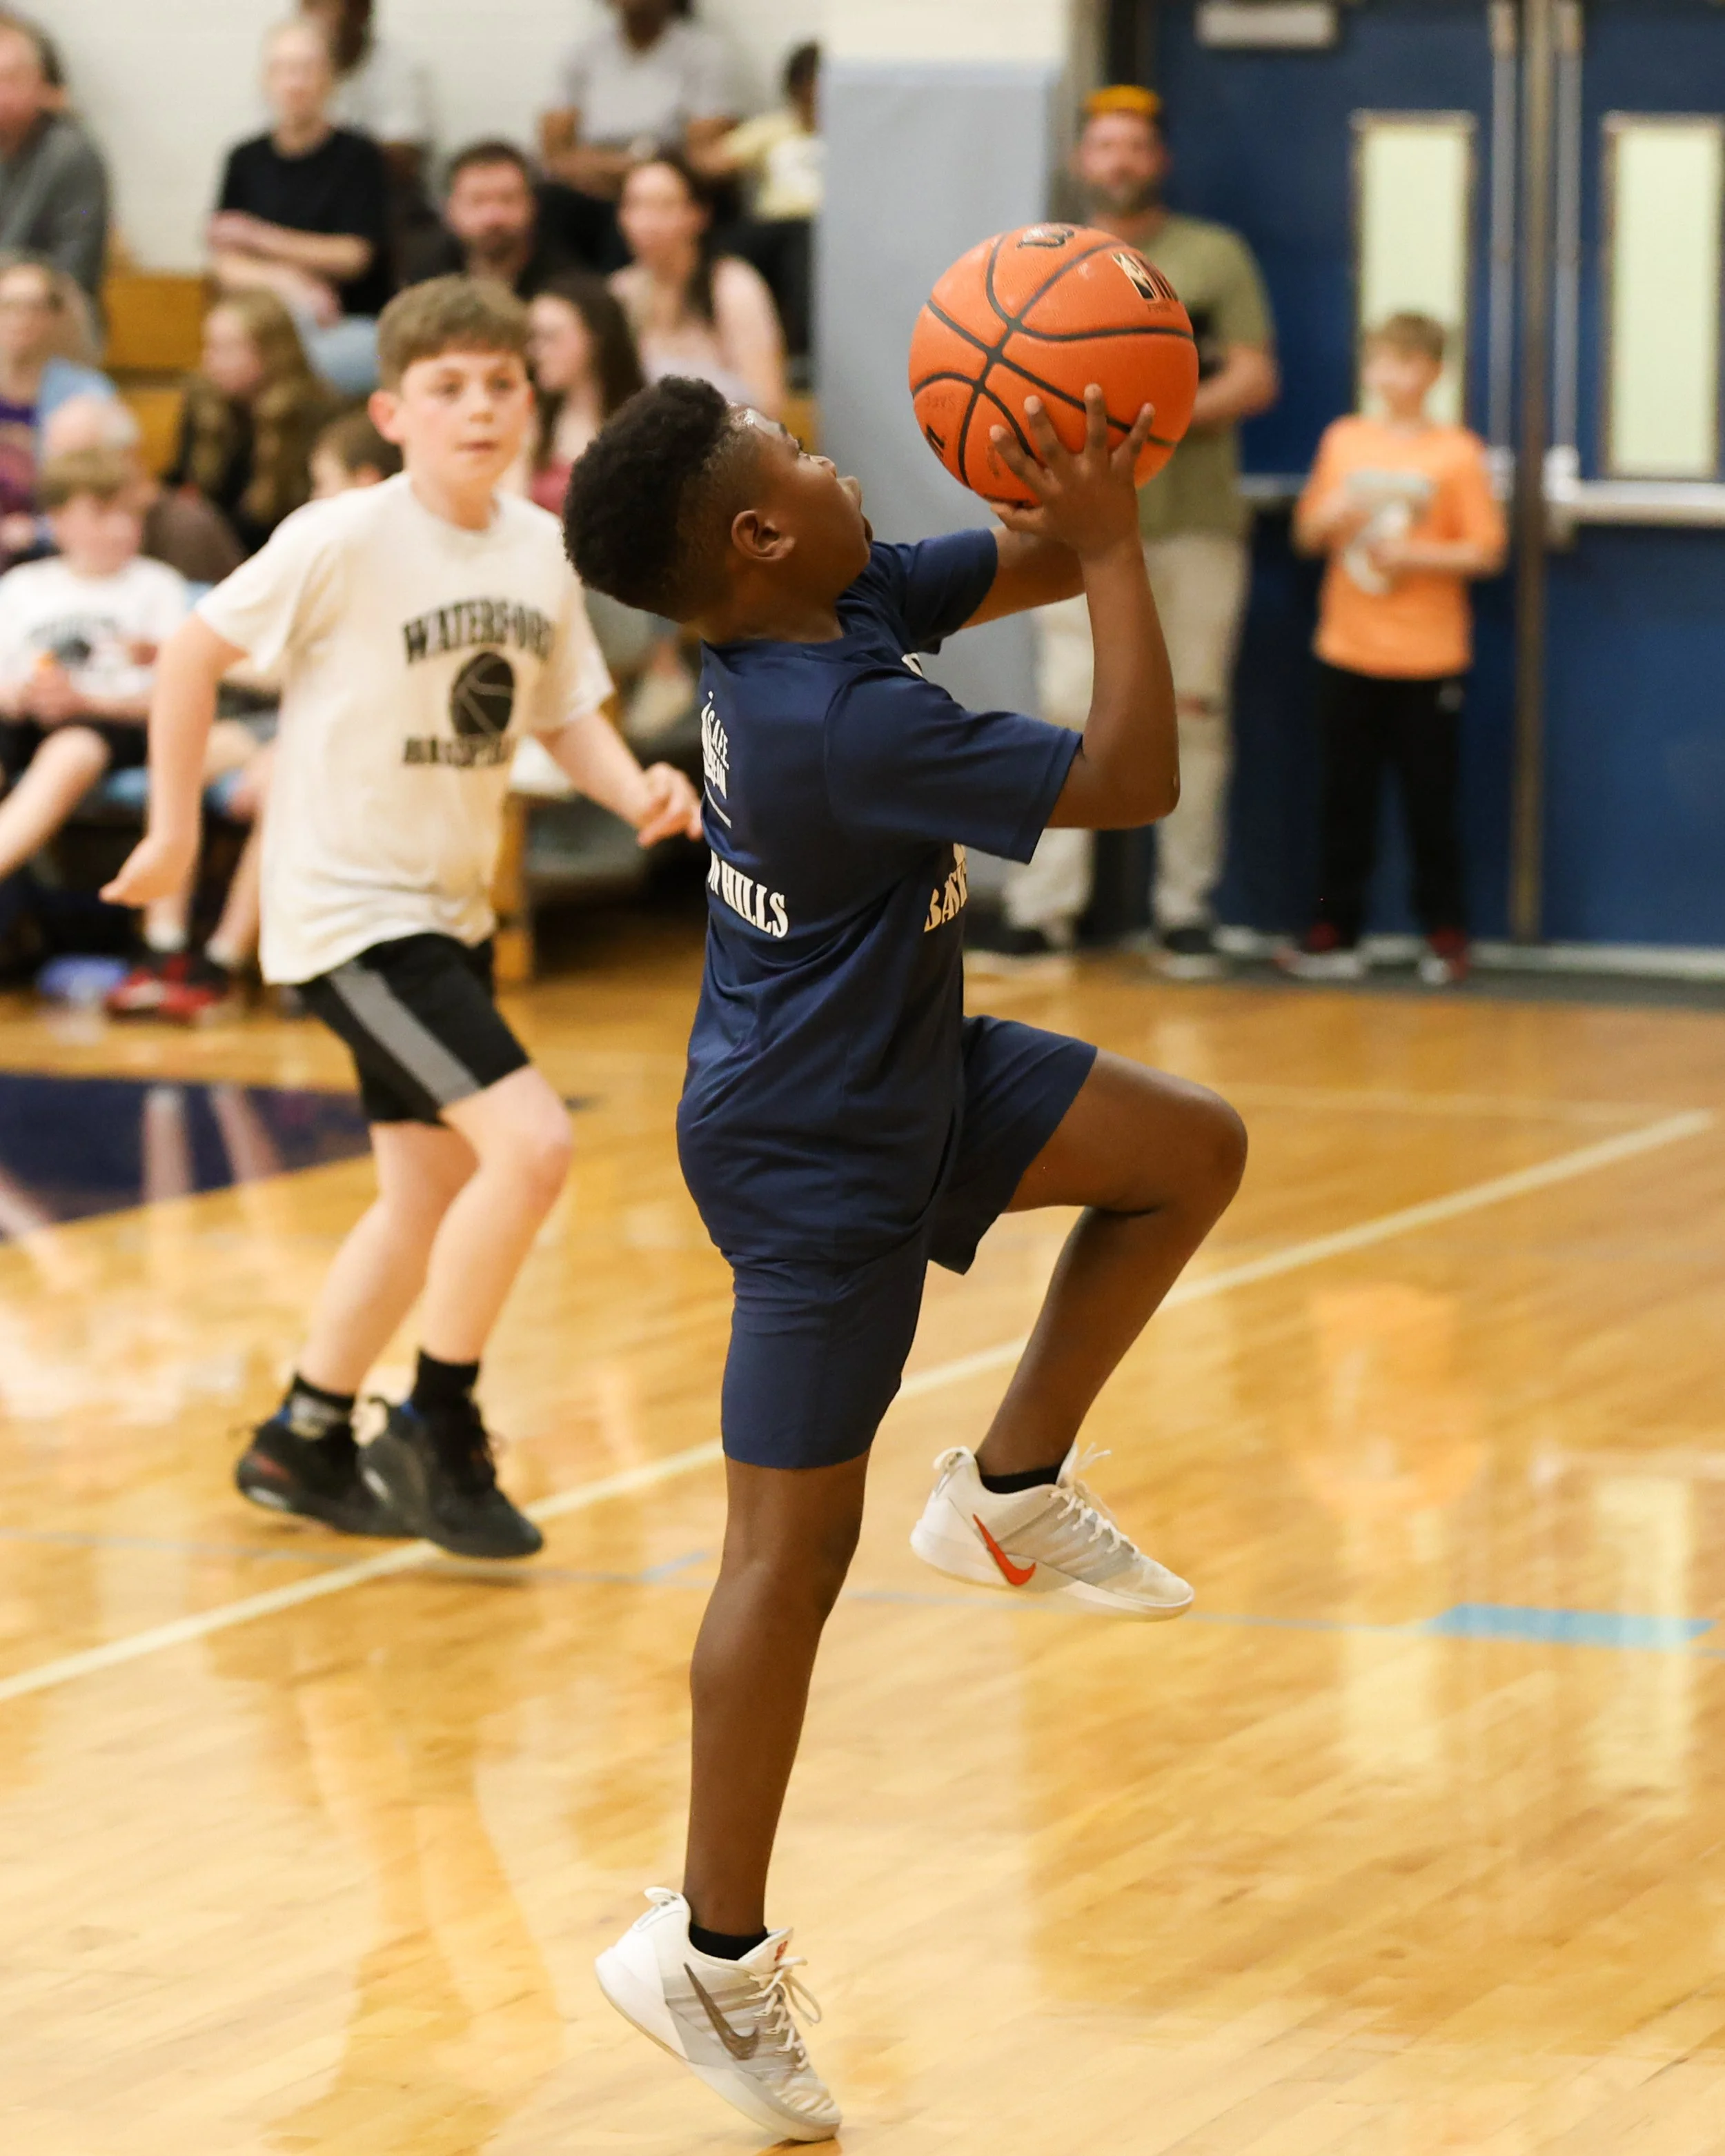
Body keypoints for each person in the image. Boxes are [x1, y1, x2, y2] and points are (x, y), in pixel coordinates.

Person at [565, 379, 1248, 2137]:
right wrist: (1117, 551)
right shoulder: (829, 714)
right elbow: (1135, 776)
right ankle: (707, 1951)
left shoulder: (831, 595)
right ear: (756, 536)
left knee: (1186, 1153)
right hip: (812, 1154)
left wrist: (1100, 481)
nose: (832, 447)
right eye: (794, 447)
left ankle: (1010, 1485)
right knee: (784, 1558)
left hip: (907, 1070)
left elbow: (1021, 561)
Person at [103, 277, 702, 1559]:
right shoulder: (344, 537)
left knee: (425, 1192)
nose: (479, 408)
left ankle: (303, 1435)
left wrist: (633, 781)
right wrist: (171, 831)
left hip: (445, 913)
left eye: (501, 385)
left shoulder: (541, 548)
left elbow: (559, 710)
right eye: (449, 389)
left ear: (530, 403)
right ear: (393, 413)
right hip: (347, 913)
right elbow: (198, 656)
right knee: (530, 1149)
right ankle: (437, 1420)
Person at [983, 86, 1278, 971]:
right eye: (1104, 146)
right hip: (1074, 532)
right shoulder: (1048, 262)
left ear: (1160, 160)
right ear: (1082, 161)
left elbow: (1255, 378)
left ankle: (1182, 911)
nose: (1119, 161)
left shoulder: (1212, 255)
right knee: (1067, 711)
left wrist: (1149, 424)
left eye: (1135, 147)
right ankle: (1042, 915)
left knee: (1193, 709)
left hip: (1191, 524)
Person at [107, 406, 404, 1025]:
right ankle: (163, 947)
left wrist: (205, 658)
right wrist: (186, 654)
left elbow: (322, 675)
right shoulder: (313, 547)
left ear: (367, 481)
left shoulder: (396, 563)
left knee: (283, 776)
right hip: (281, 714)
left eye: (325, 481)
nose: (316, 495)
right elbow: (271, 663)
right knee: (188, 753)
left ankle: (223, 959)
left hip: (350, 730)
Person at [1283, 313, 1506, 988]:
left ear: (1434, 371)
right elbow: (1305, 532)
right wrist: (1330, 521)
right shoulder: (1344, 440)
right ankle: (1333, 930)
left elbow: (1486, 549)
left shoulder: (1457, 453)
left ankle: (1445, 932)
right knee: (1341, 800)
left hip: (1428, 657)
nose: (1392, 377)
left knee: (1429, 803)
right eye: (1381, 361)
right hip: (1346, 650)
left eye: (1407, 363)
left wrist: (1415, 553)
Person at [0, 448, 189, 951]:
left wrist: (83, 700)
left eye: (130, 514)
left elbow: (178, 697)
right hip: (28, 721)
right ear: (58, 520)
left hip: (115, 723)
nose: (121, 528)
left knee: (73, 749)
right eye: (102, 513)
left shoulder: (155, 586)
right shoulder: (24, 586)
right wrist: (20, 695)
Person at [520, 270, 693, 740]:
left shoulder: (642, 422)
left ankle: (662, 666)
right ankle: (541, 719)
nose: (538, 352)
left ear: (594, 338)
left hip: (619, 602)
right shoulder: (530, 422)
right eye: (533, 339)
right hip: (550, 597)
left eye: (552, 337)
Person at [209, 17, 393, 398]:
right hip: (269, 323)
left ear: (330, 78)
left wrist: (257, 236)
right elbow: (224, 262)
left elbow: (353, 255)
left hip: (349, 324)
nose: (295, 82)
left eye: (307, 69)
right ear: (266, 79)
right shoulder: (244, 158)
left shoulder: (359, 156)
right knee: (226, 366)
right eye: (283, 69)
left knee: (293, 372)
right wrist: (290, 285)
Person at [166, 290, 340, 558]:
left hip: (288, 555)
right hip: (218, 558)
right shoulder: (202, 404)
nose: (209, 359)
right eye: (209, 346)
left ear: (271, 352)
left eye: (226, 348)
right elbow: (183, 482)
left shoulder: (314, 415)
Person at [611, 154, 785, 418]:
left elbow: (769, 404)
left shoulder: (733, 287)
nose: (645, 222)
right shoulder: (620, 291)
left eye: (664, 206)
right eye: (634, 205)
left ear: (699, 215)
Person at [541, 0, 738, 214]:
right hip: (591, 191)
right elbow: (555, 152)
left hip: (666, 193)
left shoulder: (705, 53)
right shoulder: (583, 51)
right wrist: (618, 166)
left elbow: (704, 156)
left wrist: (641, 170)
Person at [700, 41, 820, 366]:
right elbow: (710, 162)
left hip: (828, 229)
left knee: (807, 239)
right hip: (773, 227)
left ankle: (806, 352)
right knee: (714, 246)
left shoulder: (852, 134)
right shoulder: (773, 129)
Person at [44, 394, 245, 587]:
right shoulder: (70, 525)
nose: (61, 479)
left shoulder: (186, 530)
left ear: (128, 455)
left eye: (78, 463)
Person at [0, 252, 111, 565]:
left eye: (34, 308)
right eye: (8, 306)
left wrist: (40, 530)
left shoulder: (86, 392)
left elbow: (106, 487)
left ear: (53, 316)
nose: (20, 319)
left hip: (51, 545)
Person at [0, 12, 109, 299]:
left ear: (45, 87)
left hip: (48, 316)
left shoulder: (72, 155)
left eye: (10, 79)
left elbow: (76, 270)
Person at [403, 140, 580, 301]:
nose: (493, 217)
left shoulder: (567, 285)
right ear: (449, 209)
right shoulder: (423, 279)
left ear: (533, 205)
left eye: (508, 199)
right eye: (477, 201)